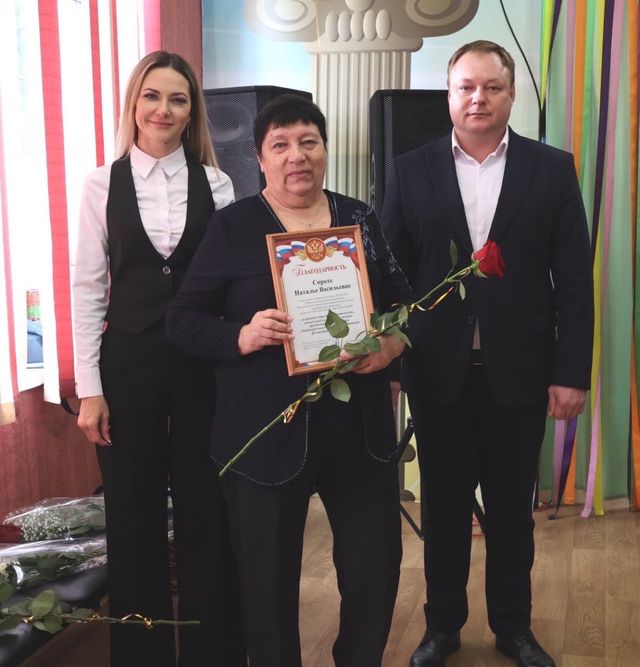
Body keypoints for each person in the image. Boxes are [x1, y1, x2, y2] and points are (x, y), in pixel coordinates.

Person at [165, 94, 411, 667]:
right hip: (265, 429)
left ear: (324, 150)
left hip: (358, 428)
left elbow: (404, 301)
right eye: (280, 145)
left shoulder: (359, 218)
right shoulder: (233, 226)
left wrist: (391, 344)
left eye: (308, 142)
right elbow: (182, 320)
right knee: (267, 579)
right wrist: (242, 335)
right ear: (260, 159)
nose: (296, 156)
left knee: (373, 566)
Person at [381, 41, 593, 667]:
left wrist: (570, 372)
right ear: (449, 95)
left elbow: (573, 281)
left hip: (520, 374)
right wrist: (388, 361)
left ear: (511, 94)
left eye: (492, 87)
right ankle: (442, 628)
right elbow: (389, 273)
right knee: (444, 511)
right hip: (436, 372)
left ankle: (514, 628)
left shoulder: (551, 169)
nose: (478, 98)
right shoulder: (409, 169)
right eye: (466, 87)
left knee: (510, 516)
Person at [71, 51, 245, 667]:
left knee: (207, 511)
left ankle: (212, 653)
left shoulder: (218, 185)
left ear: (192, 111)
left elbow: (230, 285)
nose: (163, 110)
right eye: (152, 96)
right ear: (134, 103)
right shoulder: (100, 184)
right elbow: (88, 289)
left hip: (203, 367)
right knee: (132, 518)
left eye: (177, 99)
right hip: (127, 368)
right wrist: (90, 388)